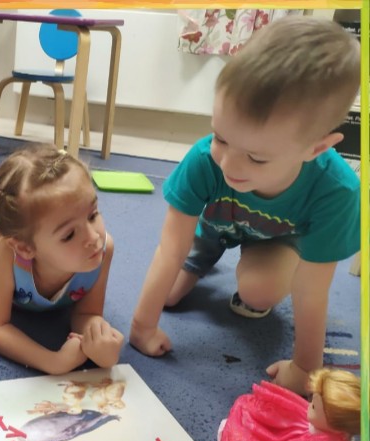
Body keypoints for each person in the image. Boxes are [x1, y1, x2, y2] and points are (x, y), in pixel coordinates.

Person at [129, 16, 361, 395]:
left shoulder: (336, 191)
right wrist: (142, 327)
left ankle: (258, 268)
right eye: (220, 138)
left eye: (256, 157)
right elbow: (170, 248)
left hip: (278, 240)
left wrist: (306, 367)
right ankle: (208, 264)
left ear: (316, 148)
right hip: (214, 226)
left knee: (258, 292)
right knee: (166, 296)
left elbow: (312, 290)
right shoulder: (203, 159)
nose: (229, 166)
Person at [0, 144, 124, 375]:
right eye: (69, 235)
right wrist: (52, 361)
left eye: (92, 215)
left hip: (25, 231)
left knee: (16, 214)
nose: (94, 238)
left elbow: (86, 313)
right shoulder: (9, 252)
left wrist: (99, 340)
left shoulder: (102, 250)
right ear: (25, 248)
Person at [214, 368, 360, 441]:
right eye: (312, 402)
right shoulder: (316, 423)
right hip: (294, 437)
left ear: (335, 425)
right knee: (254, 418)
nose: (309, 405)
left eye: (314, 407)